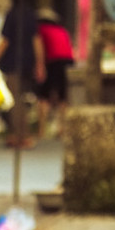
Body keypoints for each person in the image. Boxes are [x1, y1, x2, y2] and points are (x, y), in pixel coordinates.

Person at [0, 0, 42, 149]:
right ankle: (20, 134)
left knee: (15, 100)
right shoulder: (30, 13)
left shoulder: (12, 14)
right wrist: (39, 63)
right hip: (27, 61)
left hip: (13, 61)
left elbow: (5, 41)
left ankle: (22, 135)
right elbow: (37, 40)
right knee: (20, 97)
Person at [34, 8, 74, 139]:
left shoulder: (40, 29)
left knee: (43, 96)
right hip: (67, 61)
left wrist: (39, 65)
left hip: (52, 61)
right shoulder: (62, 30)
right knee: (63, 96)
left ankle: (41, 130)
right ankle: (62, 129)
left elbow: (39, 48)